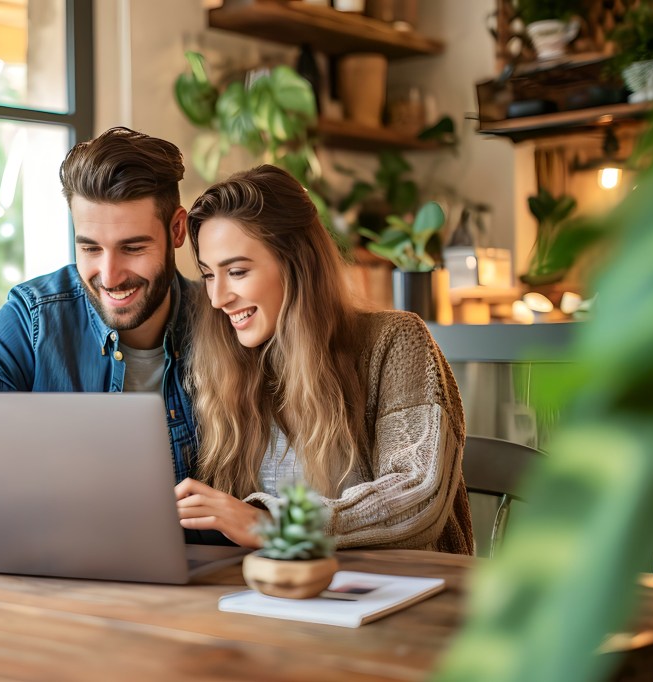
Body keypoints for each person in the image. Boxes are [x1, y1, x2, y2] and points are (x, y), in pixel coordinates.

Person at [175, 165, 473, 555]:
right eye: (208, 275)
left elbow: (415, 495)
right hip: (281, 597)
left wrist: (276, 525)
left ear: (298, 264)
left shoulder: (396, 343)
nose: (218, 298)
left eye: (236, 271)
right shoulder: (227, 367)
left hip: (405, 594)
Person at [0, 127, 200, 516]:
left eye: (133, 248)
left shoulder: (222, 322)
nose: (110, 275)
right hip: (55, 572)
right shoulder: (33, 318)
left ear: (177, 230)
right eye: (90, 248)